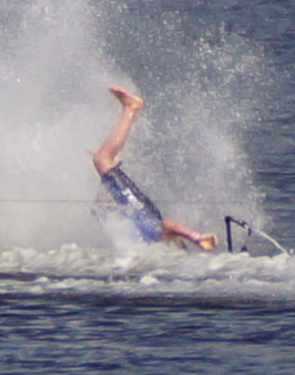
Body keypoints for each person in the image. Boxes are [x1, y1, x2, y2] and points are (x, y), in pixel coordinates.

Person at [91, 85, 218, 251]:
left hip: (132, 209)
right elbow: (169, 224)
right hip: (138, 209)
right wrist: (196, 237)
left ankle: (115, 164)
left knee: (99, 207)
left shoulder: (147, 242)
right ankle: (131, 109)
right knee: (102, 159)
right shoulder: (158, 235)